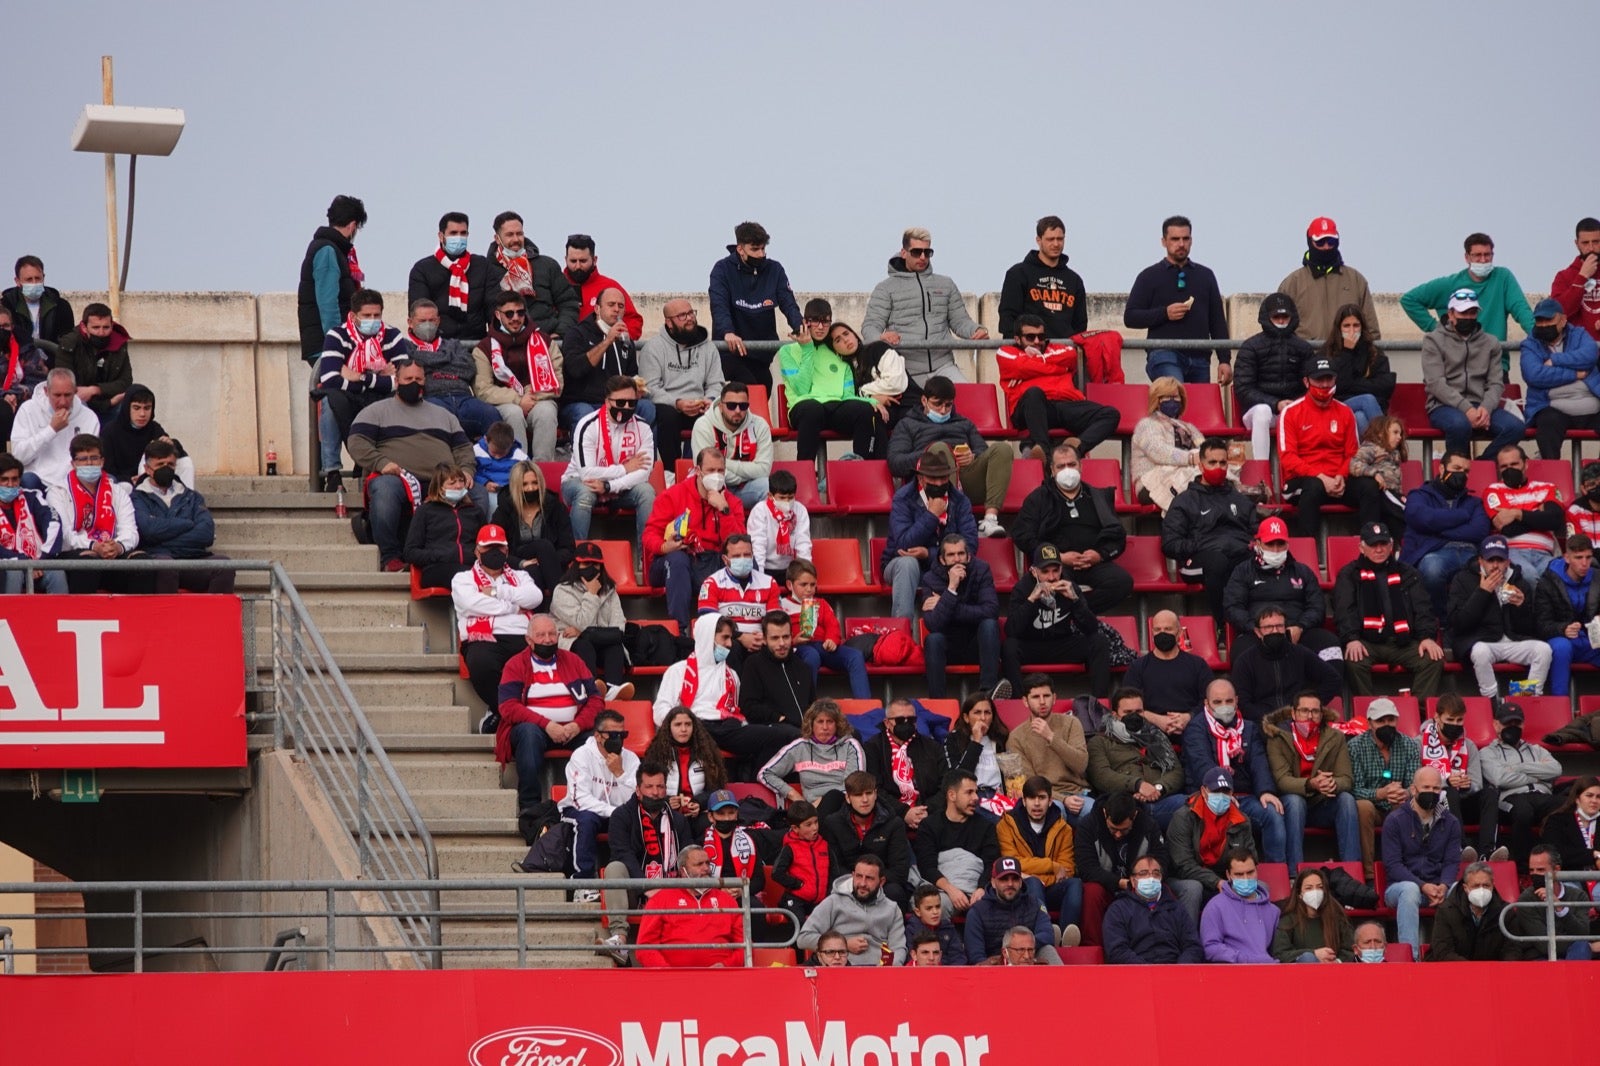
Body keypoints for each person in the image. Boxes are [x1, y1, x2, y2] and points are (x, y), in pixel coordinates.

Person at [347, 361, 477, 572]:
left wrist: (466, 470)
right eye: (408, 379)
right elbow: (357, 442)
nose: (414, 384)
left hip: (443, 480)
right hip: (398, 478)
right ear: (397, 381)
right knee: (385, 490)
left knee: (477, 493)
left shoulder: (444, 415)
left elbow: (463, 447)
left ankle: (473, 555)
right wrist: (381, 463)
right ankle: (391, 557)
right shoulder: (376, 411)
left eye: (419, 379)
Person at [655, 614, 799, 772]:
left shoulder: (732, 675)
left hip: (728, 728)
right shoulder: (678, 671)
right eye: (724, 638)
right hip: (694, 727)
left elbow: (738, 711)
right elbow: (660, 710)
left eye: (730, 638)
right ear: (708, 637)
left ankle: (757, 783)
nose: (730, 644)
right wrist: (682, 724)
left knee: (778, 735)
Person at [495, 614, 603, 814]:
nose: (547, 639)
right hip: (536, 729)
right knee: (528, 735)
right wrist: (547, 724)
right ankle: (530, 807)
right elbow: (508, 707)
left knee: (596, 742)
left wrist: (577, 725)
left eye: (552, 634)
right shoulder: (515, 664)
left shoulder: (573, 660)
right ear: (529, 640)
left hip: (573, 728)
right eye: (541, 635)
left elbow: (596, 700)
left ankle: (592, 802)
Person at [1012, 443, 1131, 614]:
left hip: (1093, 564)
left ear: (1081, 466)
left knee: (1122, 582)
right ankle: (1075, 614)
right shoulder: (1039, 498)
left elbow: (1117, 536)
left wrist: (1100, 555)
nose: (1067, 470)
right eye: (1061, 466)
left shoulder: (1097, 497)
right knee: (1061, 586)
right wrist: (1057, 557)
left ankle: (1077, 613)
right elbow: (1022, 534)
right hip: (1056, 566)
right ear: (1052, 470)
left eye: (1072, 464)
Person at [888, 375, 1012, 538]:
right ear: (924, 401)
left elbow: (983, 450)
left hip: (966, 478)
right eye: (937, 404)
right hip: (931, 484)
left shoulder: (964, 423)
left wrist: (972, 456)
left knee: (1002, 449)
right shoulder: (907, 424)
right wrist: (930, 454)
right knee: (940, 449)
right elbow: (896, 462)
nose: (943, 410)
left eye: (948, 405)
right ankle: (952, 521)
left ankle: (990, 520)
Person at [862, 227, 989, 384]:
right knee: (911, 408)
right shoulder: (885, 288)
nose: (922, 257)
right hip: (905, 369)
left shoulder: (945, 284)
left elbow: (960, 321)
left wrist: (976, 330)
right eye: (916, 252)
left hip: (944, 366)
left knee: (969, 401)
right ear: (903, 253)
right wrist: (881, 337)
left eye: (927, 252)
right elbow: (870, 327)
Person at [1181, 679, 1287, 865]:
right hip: (1209, 797)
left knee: (1272, 812)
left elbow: (1259, 762)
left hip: (1244, 796)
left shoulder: (1249, 727)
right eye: (1217, 702)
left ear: (1237, 701)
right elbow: (1201, 766)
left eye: (1229, 701)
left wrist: (1265, 791)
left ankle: (1277, 873)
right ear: (1206, 703)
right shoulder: (1195, 729)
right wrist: (1221, 793)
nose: (1224, 706)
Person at [1332, 522, 1444, 698]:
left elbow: (1423, 608)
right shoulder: (1349, 574)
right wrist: (1351, 639)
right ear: (1361, 548)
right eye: (1373, 545)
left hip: (1403, 641)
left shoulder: (1408, 573)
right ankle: (1368, 713)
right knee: (1354, 661)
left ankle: (1418, 712)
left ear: (1391, 546)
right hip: (1367, 642)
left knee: (1432, 659)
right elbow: (1345, 610)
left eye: (1383, 544)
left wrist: (1427, 637)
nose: (1379, 550)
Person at [596, 761, 693, 959]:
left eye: (660, 787)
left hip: (673, 890)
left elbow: (687, 855)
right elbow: (622, 854)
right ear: (638, 790)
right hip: (636, 892)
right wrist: (647, 887)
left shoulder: (678, 820)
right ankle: (619, 940)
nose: (655, 792)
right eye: (649, 787)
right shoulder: (621, 816)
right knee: (614, 868)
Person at [643, 448, 747, 630]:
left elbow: (739, 546)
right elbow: (649, 535)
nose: (716, 476)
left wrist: (724, 510)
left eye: (720, 471)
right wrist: (664, 546)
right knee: (677, 560)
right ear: (698, 471)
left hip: (713, 559)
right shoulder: (673, 495)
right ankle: (681, 630)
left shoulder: (731, 502)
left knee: (745, 562)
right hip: (676, 558)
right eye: (710, 471)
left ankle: (739, 628)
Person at [993, 315, 1119, 463]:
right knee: (1034, 393)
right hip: (1030, 409)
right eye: (1030, 337)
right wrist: (1059, 368)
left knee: (1111, 414)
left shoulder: (1060, 349)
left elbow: (1071, 356)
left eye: (1041, 336)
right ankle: (1043, 452)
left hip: (1064, 405)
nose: (1037, 341)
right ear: (1017, 339)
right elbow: (1019, 365)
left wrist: (1032, 366)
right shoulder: (1006, 351)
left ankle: (1075, 449)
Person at [1162, 437, 1259, 628]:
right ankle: (1223, 625)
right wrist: (1202, 544)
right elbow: (1170, 544)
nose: (1218, 467)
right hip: (1198, 560)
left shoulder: (1239, 499)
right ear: (1200, 465)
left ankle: (1257, 620)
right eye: (1212, 462)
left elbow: (1256, 531)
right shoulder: (1185, 500)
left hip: (1236, 553)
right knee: (1218, 562)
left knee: (1256, 560)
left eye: (1223, 463)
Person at [455, 525, 545, 730]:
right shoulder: (463, 579)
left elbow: (535, 597)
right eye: (488, 548)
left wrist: (497, 592)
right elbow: (471, 604)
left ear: (506, 550)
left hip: (521, 636)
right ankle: (517, 714)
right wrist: (514, 607)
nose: (494, 553)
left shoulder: (520, 576)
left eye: (499, 547)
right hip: (483, 638)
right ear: (477, 551)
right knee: (481, 663)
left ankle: (501, 714)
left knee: (539, 661)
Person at [1123, 215, 1232, 384]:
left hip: (1200, 357)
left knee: (1197, 409)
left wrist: (1224, 360)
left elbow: (1217, 320)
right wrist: (1165, 313)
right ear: (1163, 241)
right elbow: (1130, 317)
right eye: (1175, 239)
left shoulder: (1205, 276)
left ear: (1191, 240)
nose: (1181, 244)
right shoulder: (1149, 276)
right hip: (1163, 354)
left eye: (1185, 238)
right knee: (1173, 396)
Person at [1263, 690, 1361, 873]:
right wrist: (1311, 784)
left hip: (1321, 803)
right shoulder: (1277, 736)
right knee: (1295, 801)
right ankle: (1295, 874)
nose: (1310, 716)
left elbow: (1346, 778)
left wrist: (1333, 784)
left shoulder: (1334, 737)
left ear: (1321, 714)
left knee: (1346, 799)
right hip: (1290, 805)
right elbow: (1282, 780)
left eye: (1315, 711)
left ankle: (1352, 872)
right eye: (1304, 711)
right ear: (1293, 713)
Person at [1422, 288, 1525, 459]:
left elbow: (1496, 383)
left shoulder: (1491, 343)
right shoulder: (1433, 340)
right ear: (1451, 314)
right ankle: (1459, 470)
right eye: (1463, 313)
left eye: (1472, 312)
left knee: (1515, 427)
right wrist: (1467, 409)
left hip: (1481, 405)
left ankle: (1481, 466)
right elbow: (1435, 383)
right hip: (1443, 406)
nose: (1468, 317)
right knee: (1459, 425)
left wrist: (1486, 408)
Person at [314, 288, 404, 484]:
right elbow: (330, 380)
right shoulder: (337, 336)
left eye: (377, 315)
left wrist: (359, 378)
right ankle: (332, 473)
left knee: (397, 403)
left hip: (379, 400)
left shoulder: (393, 335)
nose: (372, 320)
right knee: (330, 400)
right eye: (366, 315)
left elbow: (401, 381)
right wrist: (379, 378)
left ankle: (371, 461)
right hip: (348, 398)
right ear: (354, 316)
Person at [881, 444, 978, 620]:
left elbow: (969, 545)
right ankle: (901, 637)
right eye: (933, 479)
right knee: (907, 563)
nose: (940, 483)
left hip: (943, 567)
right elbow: (904, 543)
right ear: (921, 479)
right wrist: (931, 515)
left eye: (943, 478)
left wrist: (929, 554)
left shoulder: (960, 501)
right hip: (902, 567)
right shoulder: (903, 498)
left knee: (972, 566)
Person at [777, 300, 881, 462]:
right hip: (804, 407)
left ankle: (861, 468)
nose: (820, 327)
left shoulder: (837, 353)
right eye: (815, 321)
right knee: (813, 409)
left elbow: (847, 395)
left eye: (825, 321)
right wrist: (807, 349)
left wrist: (871, 401)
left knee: (865, 410)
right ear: (806, 322)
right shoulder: (787, 351)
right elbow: (801, 389)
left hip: (834, 407)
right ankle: (805, 474)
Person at [1003, 544, 1111, 698]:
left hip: (1062, 644)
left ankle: (1099, 702)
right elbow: (1011, 630)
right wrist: (1032, 599)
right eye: (1045, 572)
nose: (1052, 577)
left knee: (1099, 641)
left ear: (1061, 569)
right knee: (1010, 647)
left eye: (1056, 570)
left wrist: (1075, 600)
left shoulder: (1069, 586)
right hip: (1031, 645)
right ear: (1034, 571)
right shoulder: (1022, 588)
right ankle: (1018, 701)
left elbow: (1091, 628)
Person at [1448, 535, 1550, 698]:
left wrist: (1521, 607)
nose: (1495, 566)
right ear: (1481, 561)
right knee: (1480, 652)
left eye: (1500, 560)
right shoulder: (1463, 579)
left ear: (1508, 562)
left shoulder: (1519, 581)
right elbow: (1458, 624)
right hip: (1482, 641)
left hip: (1512, 641)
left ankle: (1524, 698)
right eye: (1490, 560)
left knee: (1543, 650)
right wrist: (1482, 593)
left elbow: (1529, 628)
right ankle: (1492, 702)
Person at [1223, 516, 1339, 657]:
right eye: (1270, 545)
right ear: (1258, 543)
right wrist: (1254, 627)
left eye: (1280, 544)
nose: (1276, 550)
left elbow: (1317, 607)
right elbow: (1232, 607)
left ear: (1288, 544)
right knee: (1241, 651)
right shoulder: (1243, 571)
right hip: (1258, 633)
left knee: (1331, 645)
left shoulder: (1303, 572)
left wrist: (1301, 626)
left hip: (1296, 631)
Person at [561, 375, 656, 544]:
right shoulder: (588, 425)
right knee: (585, 493)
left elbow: (644, 472)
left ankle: (646, 558)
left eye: (631, 403)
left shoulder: (643, 427)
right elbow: (587, 473)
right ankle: (576, 554)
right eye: (620, 403)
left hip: (619, 487)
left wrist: (609, 486)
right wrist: (625, 468)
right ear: (607, 402)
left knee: (646, 492)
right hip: (579, 482)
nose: (626, 407)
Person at [708, 221, 803, 388]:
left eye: (763, 249)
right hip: (731, 353)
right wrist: (727, 332)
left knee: (764, 385)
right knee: (748, 387)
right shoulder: (722, 269)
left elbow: (788, 303)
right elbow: (719, 305)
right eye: (754, 249)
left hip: (761, 354)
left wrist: (801, 328)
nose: (760, 254)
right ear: (740, 249)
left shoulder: (775, 269)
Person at [131, 440, 233, 594]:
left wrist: (164, 539)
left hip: (192, 559)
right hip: (159, 561)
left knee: (224, 566)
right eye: (160, 465)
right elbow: (148, 531)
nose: (166, 468)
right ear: (147, 469)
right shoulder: (137, 498)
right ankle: (167, 617)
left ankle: (215, 617)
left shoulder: (192, 497)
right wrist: (186, 523)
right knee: (165, 565)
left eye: (170, 465)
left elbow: (206, 534)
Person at [1402, 232, 1535, 350]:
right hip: (1456, 364)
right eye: (1477, 255)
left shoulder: (1503, 277)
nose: (1483, 260)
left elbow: (1521, 310)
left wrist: (1539, 337)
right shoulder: (1450, 284)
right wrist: (1437, 329)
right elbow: (1409, 300)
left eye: (1487, 255)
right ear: (1467, 257)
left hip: (1495, 361)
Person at [1381, 765, 1461, 959]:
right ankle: (1411, 959)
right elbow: (1393, 865)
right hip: (1400, 889)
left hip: (1437, 886)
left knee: (1462, 888)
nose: (1431, 793)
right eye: (1426, 788)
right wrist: (1423, 885)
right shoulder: (1395, 820)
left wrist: (1444, 885)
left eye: (1436, 789)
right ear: (1413, 790)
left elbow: (1452, 862)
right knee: (1410, 890)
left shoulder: (1450, 822)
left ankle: (1458, 955)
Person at [47, 433, 144, 593]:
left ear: (102, 461)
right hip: (76, 554)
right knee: (88, 562)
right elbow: (64, 534)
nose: (89, 463)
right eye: (83, 459)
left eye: (94, 458)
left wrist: (118, 546)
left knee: (141, 563)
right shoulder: (58, 492)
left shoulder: (117, 491)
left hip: (111, 552)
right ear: (73, 463)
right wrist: (93, 545)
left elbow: (130, 531)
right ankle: (82, 614)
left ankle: (138, 616)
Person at [1402, 448, 1493, 618]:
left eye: (1466, 471)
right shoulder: (1419, 495)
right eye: (1456, 468)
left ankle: (1472, 625)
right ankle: (1442, 622)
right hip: (1435, 552)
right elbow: (1420, 518)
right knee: (1432, 570)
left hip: (1471, 553)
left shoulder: (1474, 502)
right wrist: (1462, 516)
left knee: (1494, 571)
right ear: (1442, 469)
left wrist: (1437, 529)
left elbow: (1479, 531)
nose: (1462, 474)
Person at [474, 291, 562, 461]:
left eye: (520, 313)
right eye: (509, 313)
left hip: (539, 398)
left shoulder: (544, 341)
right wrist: (518, 399)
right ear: (498, 315)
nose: (515, 318)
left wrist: (530, 394)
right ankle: (518, 470)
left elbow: (557, 380)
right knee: (513, 413)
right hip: (506, 403)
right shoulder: (484, 348)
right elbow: (483, 390)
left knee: (547, 412)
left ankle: (543, 472)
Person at [1279, 356, 1359, 537]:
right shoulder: (1291, 413)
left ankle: (1371, 546)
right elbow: (1288, 458)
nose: (1324, 385)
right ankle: (1308, 556)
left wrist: (1341, 475)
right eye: (1319, 379)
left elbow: (1353, 453)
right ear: (1306, 382)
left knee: (1368, 488)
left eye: (1328, 379)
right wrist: (1321, 477)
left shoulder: (1346, 412)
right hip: (1302, 481)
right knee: (1314, 487)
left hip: (1338, 480)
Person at [920, 533, 1005, 700]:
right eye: (951, 555)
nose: (957, 559)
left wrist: (945, 603)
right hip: (948, 645)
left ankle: (988, 693)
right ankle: (938, 702)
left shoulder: (981, 569)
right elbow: (933, 624)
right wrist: (951, 588)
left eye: (961, 554)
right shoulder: (930, 579)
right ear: (942, 559)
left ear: (968, 555)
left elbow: (991, 611)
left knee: (989, 625)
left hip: (978, 643)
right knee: (933, 640)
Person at [640, 299, 724, 466]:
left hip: (700, 404)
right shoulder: (653, 348)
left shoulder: (708, 348)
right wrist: (677, 403)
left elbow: (716, 383)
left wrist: (709, 400)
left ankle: (696, 467)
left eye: (691, 313)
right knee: (666, 416)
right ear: (669, 322)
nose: (689, 318)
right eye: (682, 315)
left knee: (713, 414)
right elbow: (649, 387)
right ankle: (672, 471)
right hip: (669, 406)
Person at [1087, 688, 1187, 827]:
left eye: (1139, 712)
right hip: (1123, 805)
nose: (1134, 716)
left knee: (1193, 805)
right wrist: (1138, 785)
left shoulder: (1157, 737)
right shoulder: (1099, 741)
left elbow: (1176, 771)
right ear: (1115, 715)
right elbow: (1101, 776)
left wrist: (1158, 788)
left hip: (1161, 801)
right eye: (1127, 712)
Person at [564, 710, 639, 894]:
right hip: (580, 811)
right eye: (613, 735)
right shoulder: (581, 755)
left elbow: (634, 801)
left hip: (615, 813)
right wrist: (614, 812)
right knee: (587, 820)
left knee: (636, 820)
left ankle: (632, 884)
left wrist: (620, 774)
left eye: (622, 735)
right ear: (598, 736)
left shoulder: (630, 759)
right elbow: (580, 800)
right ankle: (582, 885)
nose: (618, 739)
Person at [1480, 702, 1564, 868]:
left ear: (1523, 724)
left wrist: (1519, 768)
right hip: (1510, 797)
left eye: (1516, 723)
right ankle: (1523, 867)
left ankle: (1556, 864)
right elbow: (1500, 779)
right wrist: (1538, 777)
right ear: (1496, 724)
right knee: (1523, 812)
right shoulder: (1488, 752)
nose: (1512, 727)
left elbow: (1556, 769)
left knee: (1563, 807)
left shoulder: (1537, 750)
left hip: (1542, 796)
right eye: (1507, 723)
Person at [1232, 292, 1313, 461]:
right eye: (1277, 317)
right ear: (1267, 318)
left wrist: (1293, 405)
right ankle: (1262, 472)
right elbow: (1243, 389)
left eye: (1285, 316)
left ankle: (1305, 475)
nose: (1282, 321)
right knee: (1263, 411)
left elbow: (1311, 385)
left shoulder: (1303, 348)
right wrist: (1276, 404)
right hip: (1256, 413)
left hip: (1294, 410)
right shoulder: (1251, 347)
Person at [634, 846, 744, 969]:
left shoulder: (727, 900)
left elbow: (745, 946)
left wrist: (726, 965)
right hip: (673, 982)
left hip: (721, 979)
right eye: (699, 864)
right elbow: (645, 947)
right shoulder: (660, 900)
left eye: (708, 863)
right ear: (683, 871)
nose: (706, 868)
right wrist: (668, 973)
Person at [404, 299, 499, 440]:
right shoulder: (406, 347)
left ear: (438, 321)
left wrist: (426, 364)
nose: (428, 325)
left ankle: (494, 458)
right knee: (433, 417)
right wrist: (447, 360)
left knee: (491, 414)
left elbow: (468, 368)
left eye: (432, 320)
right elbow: (410, 368)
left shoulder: (453, 344)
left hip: (464, 398)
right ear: (410, 322)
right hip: (431, 398)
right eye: (422, 321)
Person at [548, 542, 633, 701]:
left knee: (614, 646)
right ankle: (591, 688)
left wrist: (585, 632)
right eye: (586, 563)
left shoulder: (610, 590)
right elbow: (580, 621)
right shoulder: (562, 590)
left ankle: (612, 690)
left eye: (596, 564)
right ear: (575, 565)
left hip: (598, 642)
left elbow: (618, 628)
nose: (592, 568)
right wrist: (592, 594)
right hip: (571, 646)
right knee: (584, 645)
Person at [1349, 697, 1422, 881]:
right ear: (1370, 723)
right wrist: (1380, 793)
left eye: (1390, 720)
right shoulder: (1355, 747)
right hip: (1371, 806)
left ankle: (1405, 870)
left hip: (1398, 804)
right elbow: (1354, 789)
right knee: (1362, 807)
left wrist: (1404, 792)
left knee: (1407, 805)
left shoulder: (1410, 745)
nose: (1386, 725)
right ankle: (1369, 875)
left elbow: (1414, 785)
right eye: (1380, 721)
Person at [1277, 216, 1381, 344]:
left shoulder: (1356, 280)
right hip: (1307, 358)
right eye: (1320, 242)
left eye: (1331, 241)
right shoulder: (1292, 283)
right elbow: (1278, 328)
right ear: (1310, 241)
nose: (1326, 247)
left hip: (1347, 359)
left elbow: (1371, 330)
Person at [998, 774, 1083, 929]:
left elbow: (1067, 869)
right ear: (1023, 801)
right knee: (1033, 883)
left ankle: (1068, 936)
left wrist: (1038, 878)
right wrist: (1051, 866)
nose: (1036, 804)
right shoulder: (1006, 824)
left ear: (1050, 801)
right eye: (1031, 798)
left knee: (1075, 884)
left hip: (1049, 888)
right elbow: (1012, 863)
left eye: (1042, 798)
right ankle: (1044, 932)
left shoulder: (1063, 828)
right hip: (1019, 888)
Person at [914, 769, 1001, 919]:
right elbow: (927, 867)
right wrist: (951, 890)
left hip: (977, 891)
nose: (975, 798)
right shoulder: (929, 826)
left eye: (976, 792)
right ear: (951, 795)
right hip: (942, 890)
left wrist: (981, 889)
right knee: (935, 907)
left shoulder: (986, 826)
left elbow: (991, 863)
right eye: (969, 792)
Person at [561, 287, 650, 432]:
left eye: (620, 306)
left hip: (618, 402)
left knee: (647, 408)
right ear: (597, 309)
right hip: (582, 402)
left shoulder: (626, 340)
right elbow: (575, 369)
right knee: (586, 414)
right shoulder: (577, 333)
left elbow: (631, 373)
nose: (616, 309)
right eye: (611, 305)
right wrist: (607, 342)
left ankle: (644, 454)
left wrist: (636, 388)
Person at [1231, 607, 1342, 723]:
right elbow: (1242, 703)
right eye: (1268, 627)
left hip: (1300, 721)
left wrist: (1309, 706)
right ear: (1258, 632)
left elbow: (1333, 679)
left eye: (1279, 626)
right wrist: (1270, 718)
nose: (1275, 631)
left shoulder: (1300, 653)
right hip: (1263, 723)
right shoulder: (1245, 661)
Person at [1521, 298, 1600, 460]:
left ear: (1563, 320)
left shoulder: (1579, 334)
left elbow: (1590, 355)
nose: (1543, 325)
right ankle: (1552, 479)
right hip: (1553, 409)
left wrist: (1556, 361)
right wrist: (1575, 374)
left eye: (1548, 320)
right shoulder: (1530, 344)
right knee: (1547, 423)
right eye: (1539, 320)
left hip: (1592, 406)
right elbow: (1534, 375)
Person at [796, 854, 906, 967]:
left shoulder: (892, 909)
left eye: (869, 878)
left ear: (881, 881)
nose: (862, 883)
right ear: (853, 875)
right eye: (858, 876)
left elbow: (898, 948)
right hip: (840, 970)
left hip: (878, 972)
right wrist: (844, 945)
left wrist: (890, 969)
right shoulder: (833, 902)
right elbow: (803, 938)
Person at [407, 211, 502, 342]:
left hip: (477, 344)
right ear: (441, 236)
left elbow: (494, 308)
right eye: (453, 233)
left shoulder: (482, 266)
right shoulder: (422, 269)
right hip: (438, 346)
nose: (459, 238)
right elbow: (419, 312)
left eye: (463, 233)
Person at [822, 772, 913, 908]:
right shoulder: (833, 823)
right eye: (858, 795)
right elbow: (835, 867)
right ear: (848, 798)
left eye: (869, 793)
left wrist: (871, 881)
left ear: (875, 794)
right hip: (848, 881)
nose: (865, 800)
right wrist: (859, 881)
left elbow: (899, 870)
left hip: (882, 883)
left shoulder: (894, 823)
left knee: (895, 892)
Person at [485, 211, 579, 342]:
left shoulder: (547, 265)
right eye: (509, 235)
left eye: (519, 233)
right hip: (505, 345)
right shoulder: (486, 269)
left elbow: (568, 303)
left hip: (548, 342)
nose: (516, 239)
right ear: (497, 238)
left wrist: (560, 333)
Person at [780, 560, 868, 698]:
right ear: (789, 585)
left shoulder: (821, 604)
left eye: (813, 585)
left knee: (855, 656)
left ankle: (865, 706)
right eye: (803, 585)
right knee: (811, 656)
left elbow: (832, 625)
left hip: (823, 646)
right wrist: (793, 641)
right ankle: (808, 708)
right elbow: (778, 632)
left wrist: (831, 640)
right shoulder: (782, 605)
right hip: (799, 649)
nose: (809, 589)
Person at [825, 323, 917, 455]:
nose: (845, 340)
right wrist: (872, 399)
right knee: (869, 415)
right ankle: (869, 468)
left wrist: (865, 393)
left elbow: (896, 383)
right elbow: (849, 398)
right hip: (884, 415)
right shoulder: (846, 371)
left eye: (846, 334)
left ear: (855, 335)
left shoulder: (878, 348)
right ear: (834, 350)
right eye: (838, 340)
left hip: (910, 406)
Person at [1004, 677, 1091, 815]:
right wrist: (1063, 799)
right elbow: (1029, 782)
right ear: (1025, 701)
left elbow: (1081, 765)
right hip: (1043, 797)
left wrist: (1051, 737)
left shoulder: (1071, 723)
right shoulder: (1016, 737)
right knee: (1056, 812)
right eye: (1035, 697)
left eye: (1046, 696)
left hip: (1078, 793)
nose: (1042, 701)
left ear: (1054, 698)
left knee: (1095, 813)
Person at [297, 195, 366, 367]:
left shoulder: (330, 248)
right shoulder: (328, 251)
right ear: (352, 226)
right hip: (326, 346)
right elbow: (328, 304)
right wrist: (336, 344)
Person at [759, 699, 863, 812]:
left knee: (834, 796)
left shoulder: (850, 746)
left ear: (837, 724)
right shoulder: (800, 747)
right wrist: (795, 796)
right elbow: (765, 773)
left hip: (844, 806)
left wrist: (824, 801)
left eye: (830, 721)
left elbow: (854, 786)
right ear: (811, 724)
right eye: (820, 721)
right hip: (811, 810)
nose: (825, 727)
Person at [1167, 768, 1257, 897]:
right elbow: (1183, 865)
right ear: (1204, 791)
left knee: (1259, 886)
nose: (1221, 796)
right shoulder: (1183, 818)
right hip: (1187, 877)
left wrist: (1237, 878)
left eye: (1225, 791)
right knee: (1193, 888)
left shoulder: (1242, 821)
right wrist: (1216, 881)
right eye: (1216, 791)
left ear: (1232, 793)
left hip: (1226, 876)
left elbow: (1250, 857)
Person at [491, 460, 575, 598]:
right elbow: (495, 550)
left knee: (541, 554)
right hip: (516, 564)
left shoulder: (555, 507)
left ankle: (538, 616)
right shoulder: (504, 510)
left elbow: (568, 549)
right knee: (538, 555)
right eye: (524, 484)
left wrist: (546, 561)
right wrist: (521, 563)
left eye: (535, 483)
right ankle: (563, 604)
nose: (530, 488)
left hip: (551, 565)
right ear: (516, 486)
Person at [9, 369, 101, 494]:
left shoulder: (88, 417)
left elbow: (88, 461)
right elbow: (18, 456)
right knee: (27, 480)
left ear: (75, 392)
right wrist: (51, 430)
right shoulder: (28, 410)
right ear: (46, 391)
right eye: (57, 395)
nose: (63, 402)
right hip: (38, 480)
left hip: (73, 483)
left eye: (68, 395)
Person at [1101, 854, 1205, 964]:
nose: (1150, 878)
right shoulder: (1118, 910)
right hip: (1136, 975)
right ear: (1133, 881)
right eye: (1143, 873)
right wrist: (1148, 971)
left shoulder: (1176, 908)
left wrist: (1179, 970)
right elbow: (1117, 951)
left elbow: (1193, 946)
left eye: (1156, 874)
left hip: (1175, 972)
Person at [998, 215, 1088, 338]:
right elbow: (1007, 319)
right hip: (1028, 353)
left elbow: (1080, 326)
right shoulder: (1018, 274)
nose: (1056, 244)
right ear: (1038, 240)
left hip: (1063, 352)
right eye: (1050, 239)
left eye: (1060, 239)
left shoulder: (1074, 280)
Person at [690, 382, 773, 512]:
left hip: (745, 488)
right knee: (699, 479)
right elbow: (705, 469)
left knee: (768, 486)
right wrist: (748, 473)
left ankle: (760, 531)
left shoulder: (760, 425)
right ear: (721, 406)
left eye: (743, 406)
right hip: (711, 488)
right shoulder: (703, 426)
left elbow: (763, 470)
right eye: (731, 406)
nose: (738, 411)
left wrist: (723, 464)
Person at [1484, 444, 1565, 578]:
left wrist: (1517, 513)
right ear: (1498, 468)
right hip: (1512, 552)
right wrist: (1539, 516)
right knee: (1528, 576)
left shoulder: (1548, 488)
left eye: (1514, 464)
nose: (1509, 469)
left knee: (1557, 577)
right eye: (1504, 466)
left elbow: (1555, 520)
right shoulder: (1493, 490)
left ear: (1526, 464)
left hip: (1545, 552)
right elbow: (1508, 529)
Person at [965, 857, 1064, 966]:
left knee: (1048, 949)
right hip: (995, 967)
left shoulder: (1035, 903)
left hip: (1030, 961)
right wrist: (1007, 957)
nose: (1010, 884)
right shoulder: (977, 911)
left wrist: (1020, 949)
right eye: (1004, 879)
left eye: (1015, 879)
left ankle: (1064, 982)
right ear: (993, 882)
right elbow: (975, 956)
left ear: (1021, 882)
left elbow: (1047, 935)